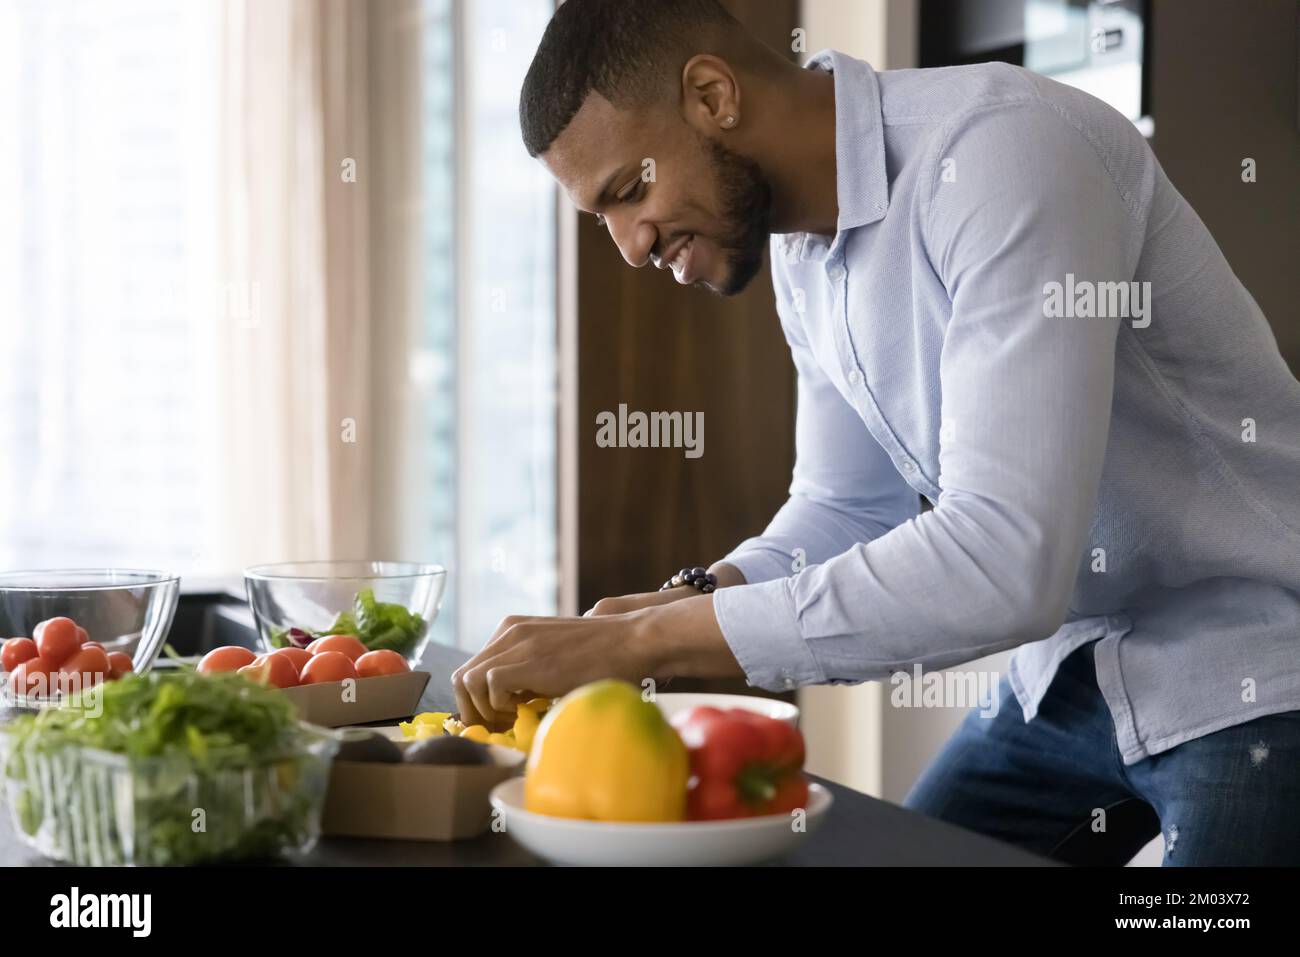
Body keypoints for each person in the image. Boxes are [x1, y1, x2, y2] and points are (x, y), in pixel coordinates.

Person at [452, 0, 1300, 865]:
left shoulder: (1004, 152)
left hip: (1255, 667)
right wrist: (688, 596)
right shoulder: (799, 248)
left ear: (712, 95)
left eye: (630, 190)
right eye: (601, 217)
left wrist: (642, 643)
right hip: (1071, 672)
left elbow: (1007, 561)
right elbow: (845, 506)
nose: (630, 248)